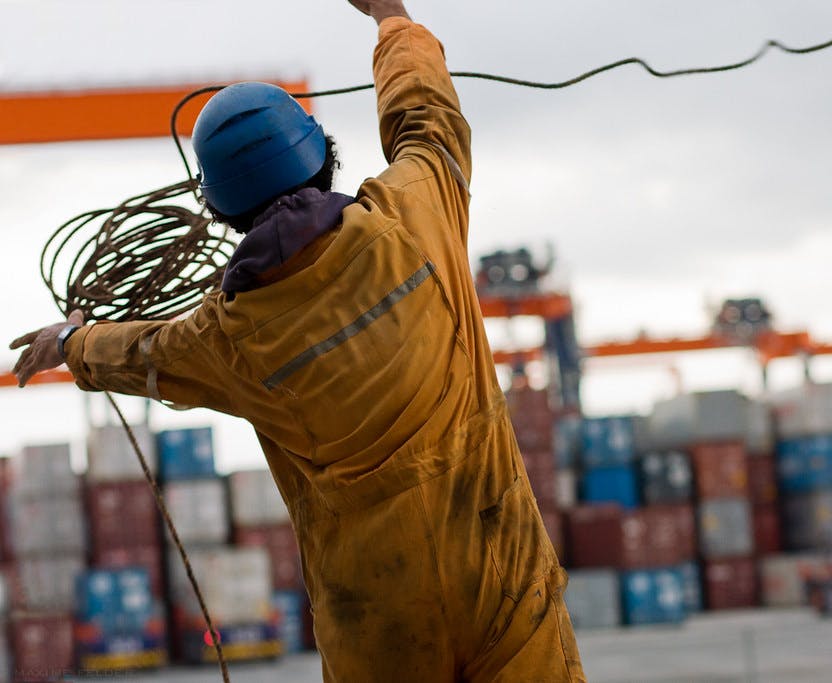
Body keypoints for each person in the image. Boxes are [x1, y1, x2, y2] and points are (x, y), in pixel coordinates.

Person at [10, 1, 586, 681]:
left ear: (219, 209)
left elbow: (141, 353)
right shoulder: (416, 216)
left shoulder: (226, 340)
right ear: (322, 156)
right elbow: (426, 118)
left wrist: (70, 341)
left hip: (378, 626)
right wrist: (392, 21)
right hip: (504, 588)